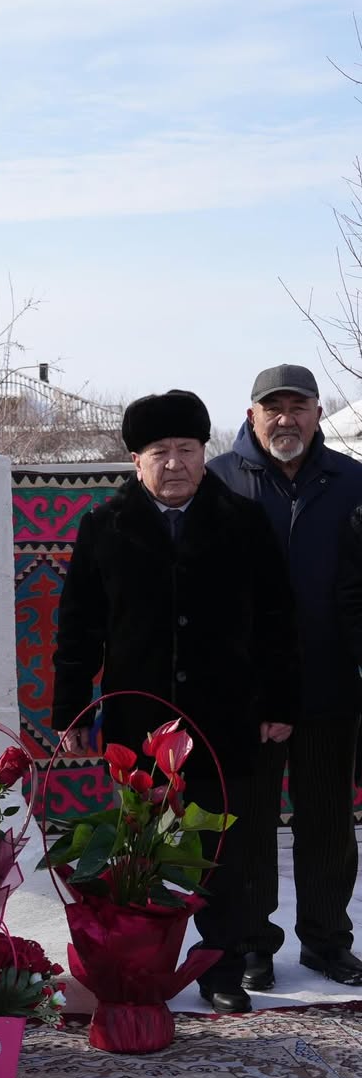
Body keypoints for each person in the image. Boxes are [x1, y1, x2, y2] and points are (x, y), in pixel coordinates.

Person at [52, 389, 299, 1013]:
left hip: (225, 715)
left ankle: (221, 967)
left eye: (186, 449)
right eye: (158, 452)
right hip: (139, 718)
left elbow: (276, 619)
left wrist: (279, 701)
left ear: (203, 452)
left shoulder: (242, 522)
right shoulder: (103, 527)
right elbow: (78, 627)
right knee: (143, 844)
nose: (174, 464)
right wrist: (71, 710)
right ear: (136, 461)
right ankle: (145, 963)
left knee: (222, 846)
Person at [208, 363, 362, 988]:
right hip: (249, 693)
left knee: (328, 821)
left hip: (329, 684)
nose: (286, 419)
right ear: (251, 416)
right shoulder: (219, 482)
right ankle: (252, 945)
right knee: (248, 822)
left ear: (318, 414)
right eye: (273, 408)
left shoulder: (353, 482)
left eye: (298, 407)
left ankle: (328, 941)